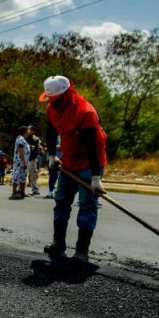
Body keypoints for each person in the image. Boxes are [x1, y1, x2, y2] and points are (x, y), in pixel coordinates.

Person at [40, 75, 107, 263]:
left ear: (67, 94)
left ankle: (81, 251)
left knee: (86, 205)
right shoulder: (52, 109)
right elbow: (51, 132)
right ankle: (58, 243)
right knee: (61, 200)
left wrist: (95, 178)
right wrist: (53, 156)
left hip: (89, 162)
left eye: (57, 100)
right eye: (51, 100)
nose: (53, 104)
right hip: (68, 160)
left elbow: (93, 147)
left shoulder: (86, 113)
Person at [10, 126, 29, 199]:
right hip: (20, 162)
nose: (29, 131)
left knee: (23, 176)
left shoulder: (23, 139)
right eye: (28, 130)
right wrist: (23, 160)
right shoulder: (20, 138)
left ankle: (22, 192)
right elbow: (20, 149)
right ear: (25, 131)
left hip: (24, 162)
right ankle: (14, 193)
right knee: (17, 176)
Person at [26, 125, 46, 196]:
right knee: (23, 174)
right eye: (28, 129)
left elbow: (39, 147)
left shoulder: (36, 139)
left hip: (32, 158)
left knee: (33, 174)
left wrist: (41, 150)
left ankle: (35, 189)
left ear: (33, 131)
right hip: (25, 159)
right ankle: (20, 189)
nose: (28, 131)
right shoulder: (25, 137)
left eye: (30, 130)